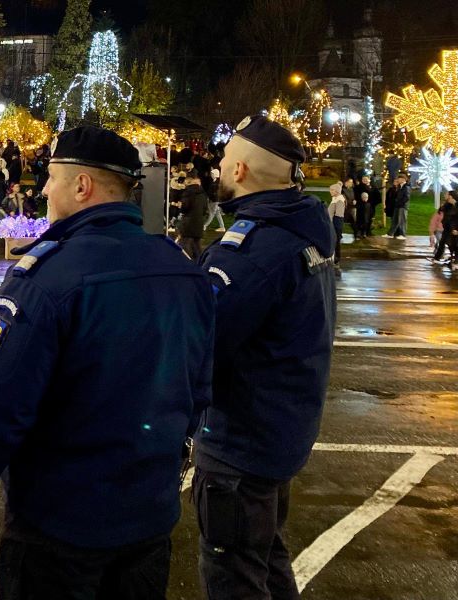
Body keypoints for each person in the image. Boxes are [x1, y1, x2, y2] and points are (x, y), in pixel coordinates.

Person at [0, 126, 215, 600]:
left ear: (82, 186)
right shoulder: (181, 269)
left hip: (58, 527)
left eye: (52, 178)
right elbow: (198, 388)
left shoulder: (47, 277)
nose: (44, 190)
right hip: (147, 519)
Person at [196, 115, 336, 600]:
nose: (217, 169)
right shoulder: (302, 228)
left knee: (235, 574)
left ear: (239, 171)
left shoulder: (253, 250)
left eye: (223, 161)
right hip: (280, 432)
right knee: (267, 560)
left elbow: (199, 345)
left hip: (241, 444)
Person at [176, 169, 208, 261]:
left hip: (188, 223)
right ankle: (200, 263)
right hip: (199, 222)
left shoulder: (188, 192)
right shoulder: (203, 194)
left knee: (184, 245)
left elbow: (184, 208)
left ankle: (185, 263)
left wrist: (180, 206)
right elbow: (205, 209)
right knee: (196, 246)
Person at [384, 173, 410, 239]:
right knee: (394, 220)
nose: (398, 180)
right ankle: (390, 234)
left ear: (403, 179)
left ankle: (403, 234)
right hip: (397, 206)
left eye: (400, 179)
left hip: (402, 207)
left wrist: (400, 203)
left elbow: (406, 198)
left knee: (402, 220)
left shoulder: (406, 187)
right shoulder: (400, 187)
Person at [328, 182, 346, 275]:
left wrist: (332, 222)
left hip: (336, 223)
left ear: (337, 191)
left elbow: (339, 214)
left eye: (332, 190)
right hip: (333, 223)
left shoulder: (339, 200)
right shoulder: (335, 199)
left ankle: (336, 260)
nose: (330, 191)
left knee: (336, 241)